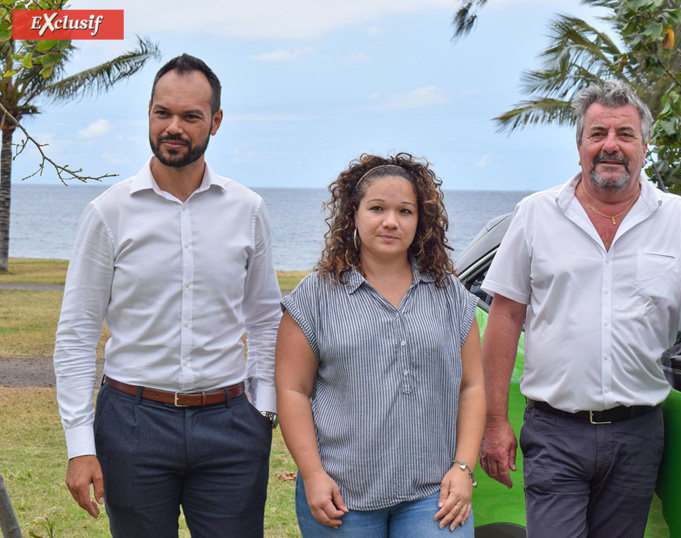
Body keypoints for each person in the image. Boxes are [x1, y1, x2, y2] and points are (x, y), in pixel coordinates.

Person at [477, 80, 681, 537]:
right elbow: (504, 315)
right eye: (597, 133)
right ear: (579, 145)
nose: (610, 145)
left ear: (645, 146)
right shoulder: (536, 213)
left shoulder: (679, 217)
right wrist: (495, 421)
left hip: (637, 434)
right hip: (554, 432)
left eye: (624, 134)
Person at [53, 54, 282, 537]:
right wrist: (79, 443)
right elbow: (77, 334)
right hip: (131, 423)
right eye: (163, 113)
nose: (173, 127)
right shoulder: (108, 213)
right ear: (149, 113)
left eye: (190, 116)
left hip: (231, 426)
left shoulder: (248, 209)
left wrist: (263, 408)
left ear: (215, 122)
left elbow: (264, 318)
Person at [275, 153, 486, 536]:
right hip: (341, 495)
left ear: (420, 220)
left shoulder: (449, 293)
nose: (391, 221)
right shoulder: (315, 295)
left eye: (405, 211)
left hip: (433, 494)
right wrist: (312, 474)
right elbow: (293, 390)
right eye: (377, 208)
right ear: (352, 214)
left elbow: (472, 386)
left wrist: (463, 467)